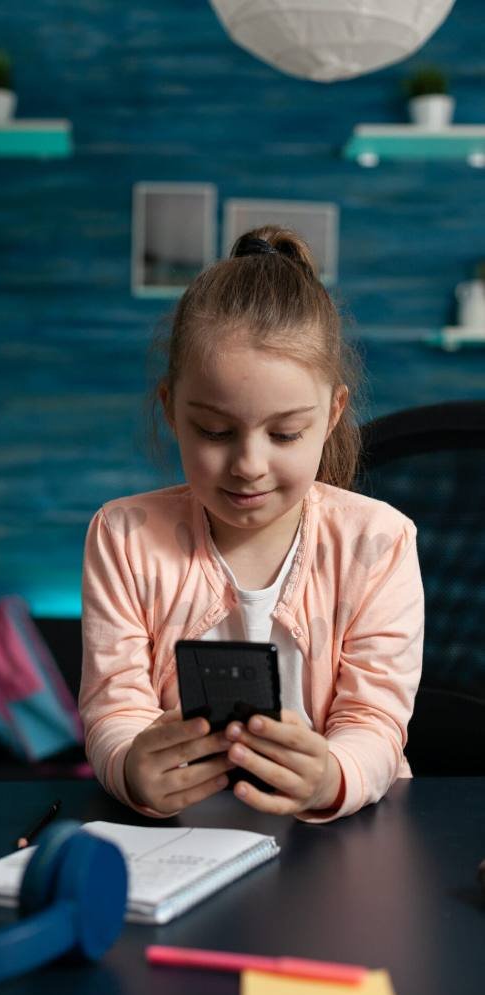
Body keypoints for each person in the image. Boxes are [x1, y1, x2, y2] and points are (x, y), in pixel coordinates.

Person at [78, 226, 424, 823]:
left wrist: (331, 776)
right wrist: (131, 765)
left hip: (343, 841)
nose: (248, 466)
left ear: (333, 413)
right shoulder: (123, 537)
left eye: (286, 434)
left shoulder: (379, 542)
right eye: (215, 431)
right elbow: (114, 709)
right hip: (184, 840)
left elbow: (375, 721)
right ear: (171, 410)